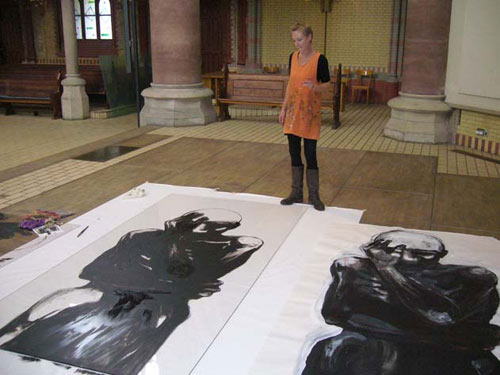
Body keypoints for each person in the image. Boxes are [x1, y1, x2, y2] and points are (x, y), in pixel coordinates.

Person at [0, 209, 263, 375]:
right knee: (70, 301)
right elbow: (104, 272)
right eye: (202, 223)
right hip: (109, 292)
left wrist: (182, 249)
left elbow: (250, 243)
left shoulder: (216, 250)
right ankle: (19, 334)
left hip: (155, 307)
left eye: (219, 227)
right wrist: (178, 265)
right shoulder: (143, 237)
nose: (210, 230)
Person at [302, 230, 500, 374]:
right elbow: (333, 314)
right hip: (375, 349)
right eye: (391, 250)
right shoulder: (353, 269)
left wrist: (388, 270)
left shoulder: (471, 278)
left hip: (442, 353)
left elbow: (442, 317)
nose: (400, 255)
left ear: (438, 256)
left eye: (418, 253)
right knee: (339, 347)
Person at [279, 23, 331, 211]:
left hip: (310, 113)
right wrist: (284, 108)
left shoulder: (320, 60)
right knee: (294, 152)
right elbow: (290, 85)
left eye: (299, 39)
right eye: (294, 40)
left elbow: (328, 85)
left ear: (310, 37)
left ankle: (314, 196)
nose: (297, 43)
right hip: (293, 111)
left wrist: (316, 87)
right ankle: (296, 192)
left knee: (310, 154)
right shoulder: (292, 57)